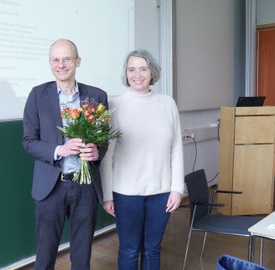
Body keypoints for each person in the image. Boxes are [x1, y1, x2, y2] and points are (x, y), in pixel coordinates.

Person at [22, 39, 109, 270]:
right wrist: (58, 150)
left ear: (78, 61)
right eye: (55, 60)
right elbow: (28, 142)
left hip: (85, 187)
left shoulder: (97, 96)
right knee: (45, 254)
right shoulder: (37, 95)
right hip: (50, 188)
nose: (61, 64)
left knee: (82, 255)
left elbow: (104, 141)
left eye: (67, 58)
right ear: (50, 63)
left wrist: (95, 151)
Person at [100, 49, 184, 270]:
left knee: (152, 248)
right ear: (125, 73)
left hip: (161, 191)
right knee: (129, 249)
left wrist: (177, 188)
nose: (137, 74)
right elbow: (107, 155)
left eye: (143, 69)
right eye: (131, 69)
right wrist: (107, 194)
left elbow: (176, 148)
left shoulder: (168, 104)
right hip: (125, 193)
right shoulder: (114, 105)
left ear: (152, 72)